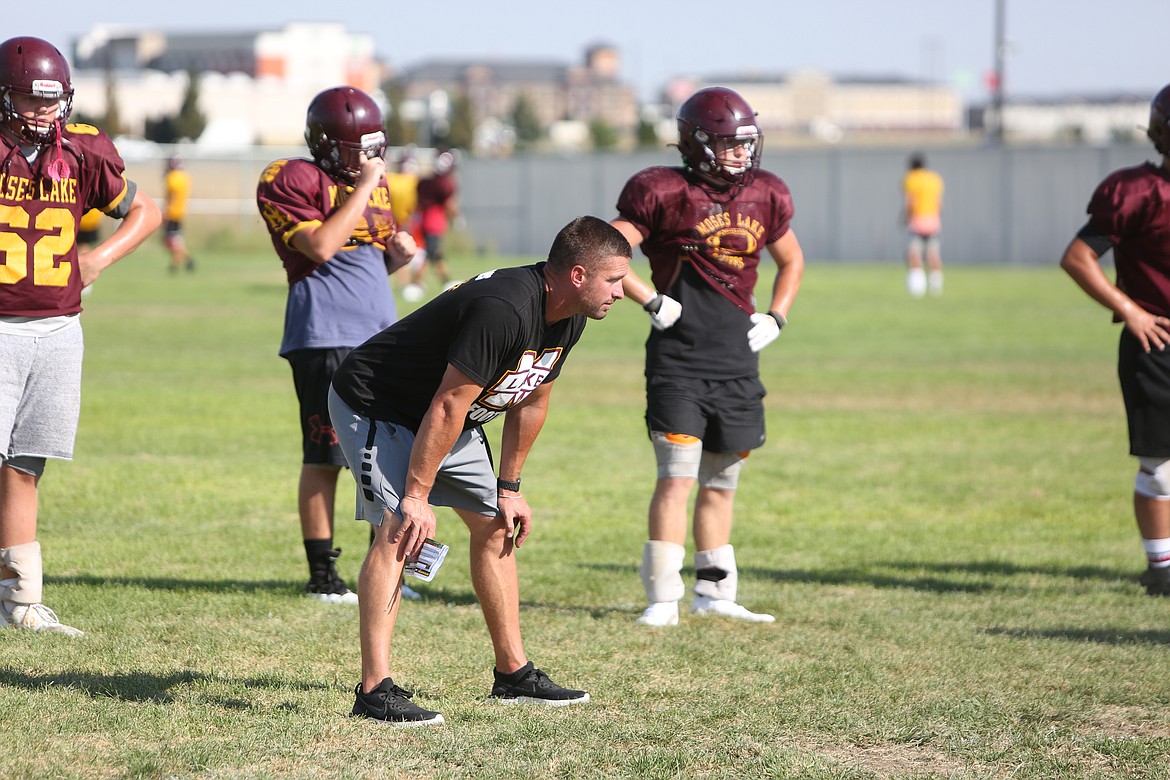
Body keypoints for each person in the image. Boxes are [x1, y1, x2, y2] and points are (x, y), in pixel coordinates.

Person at [328, 214, 630, 726]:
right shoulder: (505, 308)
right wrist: (417, 497)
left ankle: (512, 674)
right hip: (380, 404)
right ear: (577, 275)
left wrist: (509, 487)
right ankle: (374, 691)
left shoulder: (570, 313)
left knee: (496, 524)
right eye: (614, 279)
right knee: (400, 529)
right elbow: (447, 404)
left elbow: (533, 397)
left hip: (447, 415)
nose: (622, 292)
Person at [609, 86, 804, 628]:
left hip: (738, 362)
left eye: (746, 143)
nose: (742, 154)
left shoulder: (765, 193)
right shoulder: (664, 190)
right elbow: (607, 246)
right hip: (679, 360)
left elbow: (791, 260)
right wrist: (648, 298)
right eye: (728, 144)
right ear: (695, 143)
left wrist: (777, 315)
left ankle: (716, 595)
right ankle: (662, 596)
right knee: (677, 476)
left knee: (722, 483)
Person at [0, 36, 162, 635]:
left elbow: (147, 212)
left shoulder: (84, 151)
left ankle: (20, 602)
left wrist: (97, 261)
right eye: (27, 98)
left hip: (58, 328)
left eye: (51, 100)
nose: (42, 112)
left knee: (26, 465)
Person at [256, 86, 418, 606]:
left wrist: (398, 254)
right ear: (326, 145)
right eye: (357, 150)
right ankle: (322, 575)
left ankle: (387, 571)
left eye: (375, 149)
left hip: (379, 332)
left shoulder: (376, 181)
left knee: (389, 459)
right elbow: (322, 246)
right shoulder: (290, 178)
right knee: (325, 455)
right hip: (323, 333)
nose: (369, 160)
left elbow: (370, 263)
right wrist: (366, 185)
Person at [1060, 83, 1170, 597]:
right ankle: (1161, 568)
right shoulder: (1138, 192)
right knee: (1162, 466)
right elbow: (1078, 257)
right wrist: (1130, 309)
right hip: (1158, 341)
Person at [408, 149, 458, 292]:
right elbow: (449, 203)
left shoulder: (426, 183)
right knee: (431, 253)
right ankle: (417, 282)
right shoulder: (442, 184)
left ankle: (442, 280)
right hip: (433, 222)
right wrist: (456, 217)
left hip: (427, 219)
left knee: (434, 252)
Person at [902, 152, 944, 297]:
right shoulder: (935, 179)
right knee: (933, 254)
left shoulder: (912, 179)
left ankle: (917, 289)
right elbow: (939, 203)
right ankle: (935, 287)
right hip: (933, 220)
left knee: (914, 254)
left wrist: (906, 217)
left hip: (917, 221)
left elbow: (910, 202)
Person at [163, 154, 194, 273]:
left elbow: (170, 197)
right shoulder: (185, 177)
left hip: (172, 213)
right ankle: (176, 263)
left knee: (171, 241)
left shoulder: (171, 178)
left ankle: (183, 261)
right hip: (180, 212)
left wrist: (166, 213)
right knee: (176, 241)